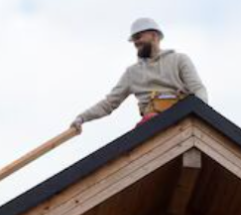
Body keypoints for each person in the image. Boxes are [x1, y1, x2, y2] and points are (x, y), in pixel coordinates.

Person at [71, 17, 209, 131]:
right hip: (150, 125)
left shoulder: (179, 60)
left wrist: (201, 115)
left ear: (154, 36)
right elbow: (109, 103)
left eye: (138, 37)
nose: (136, 43)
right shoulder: (132, 73)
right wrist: (82, 117)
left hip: (181, 118)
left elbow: (198, 89)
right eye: (134, 40)